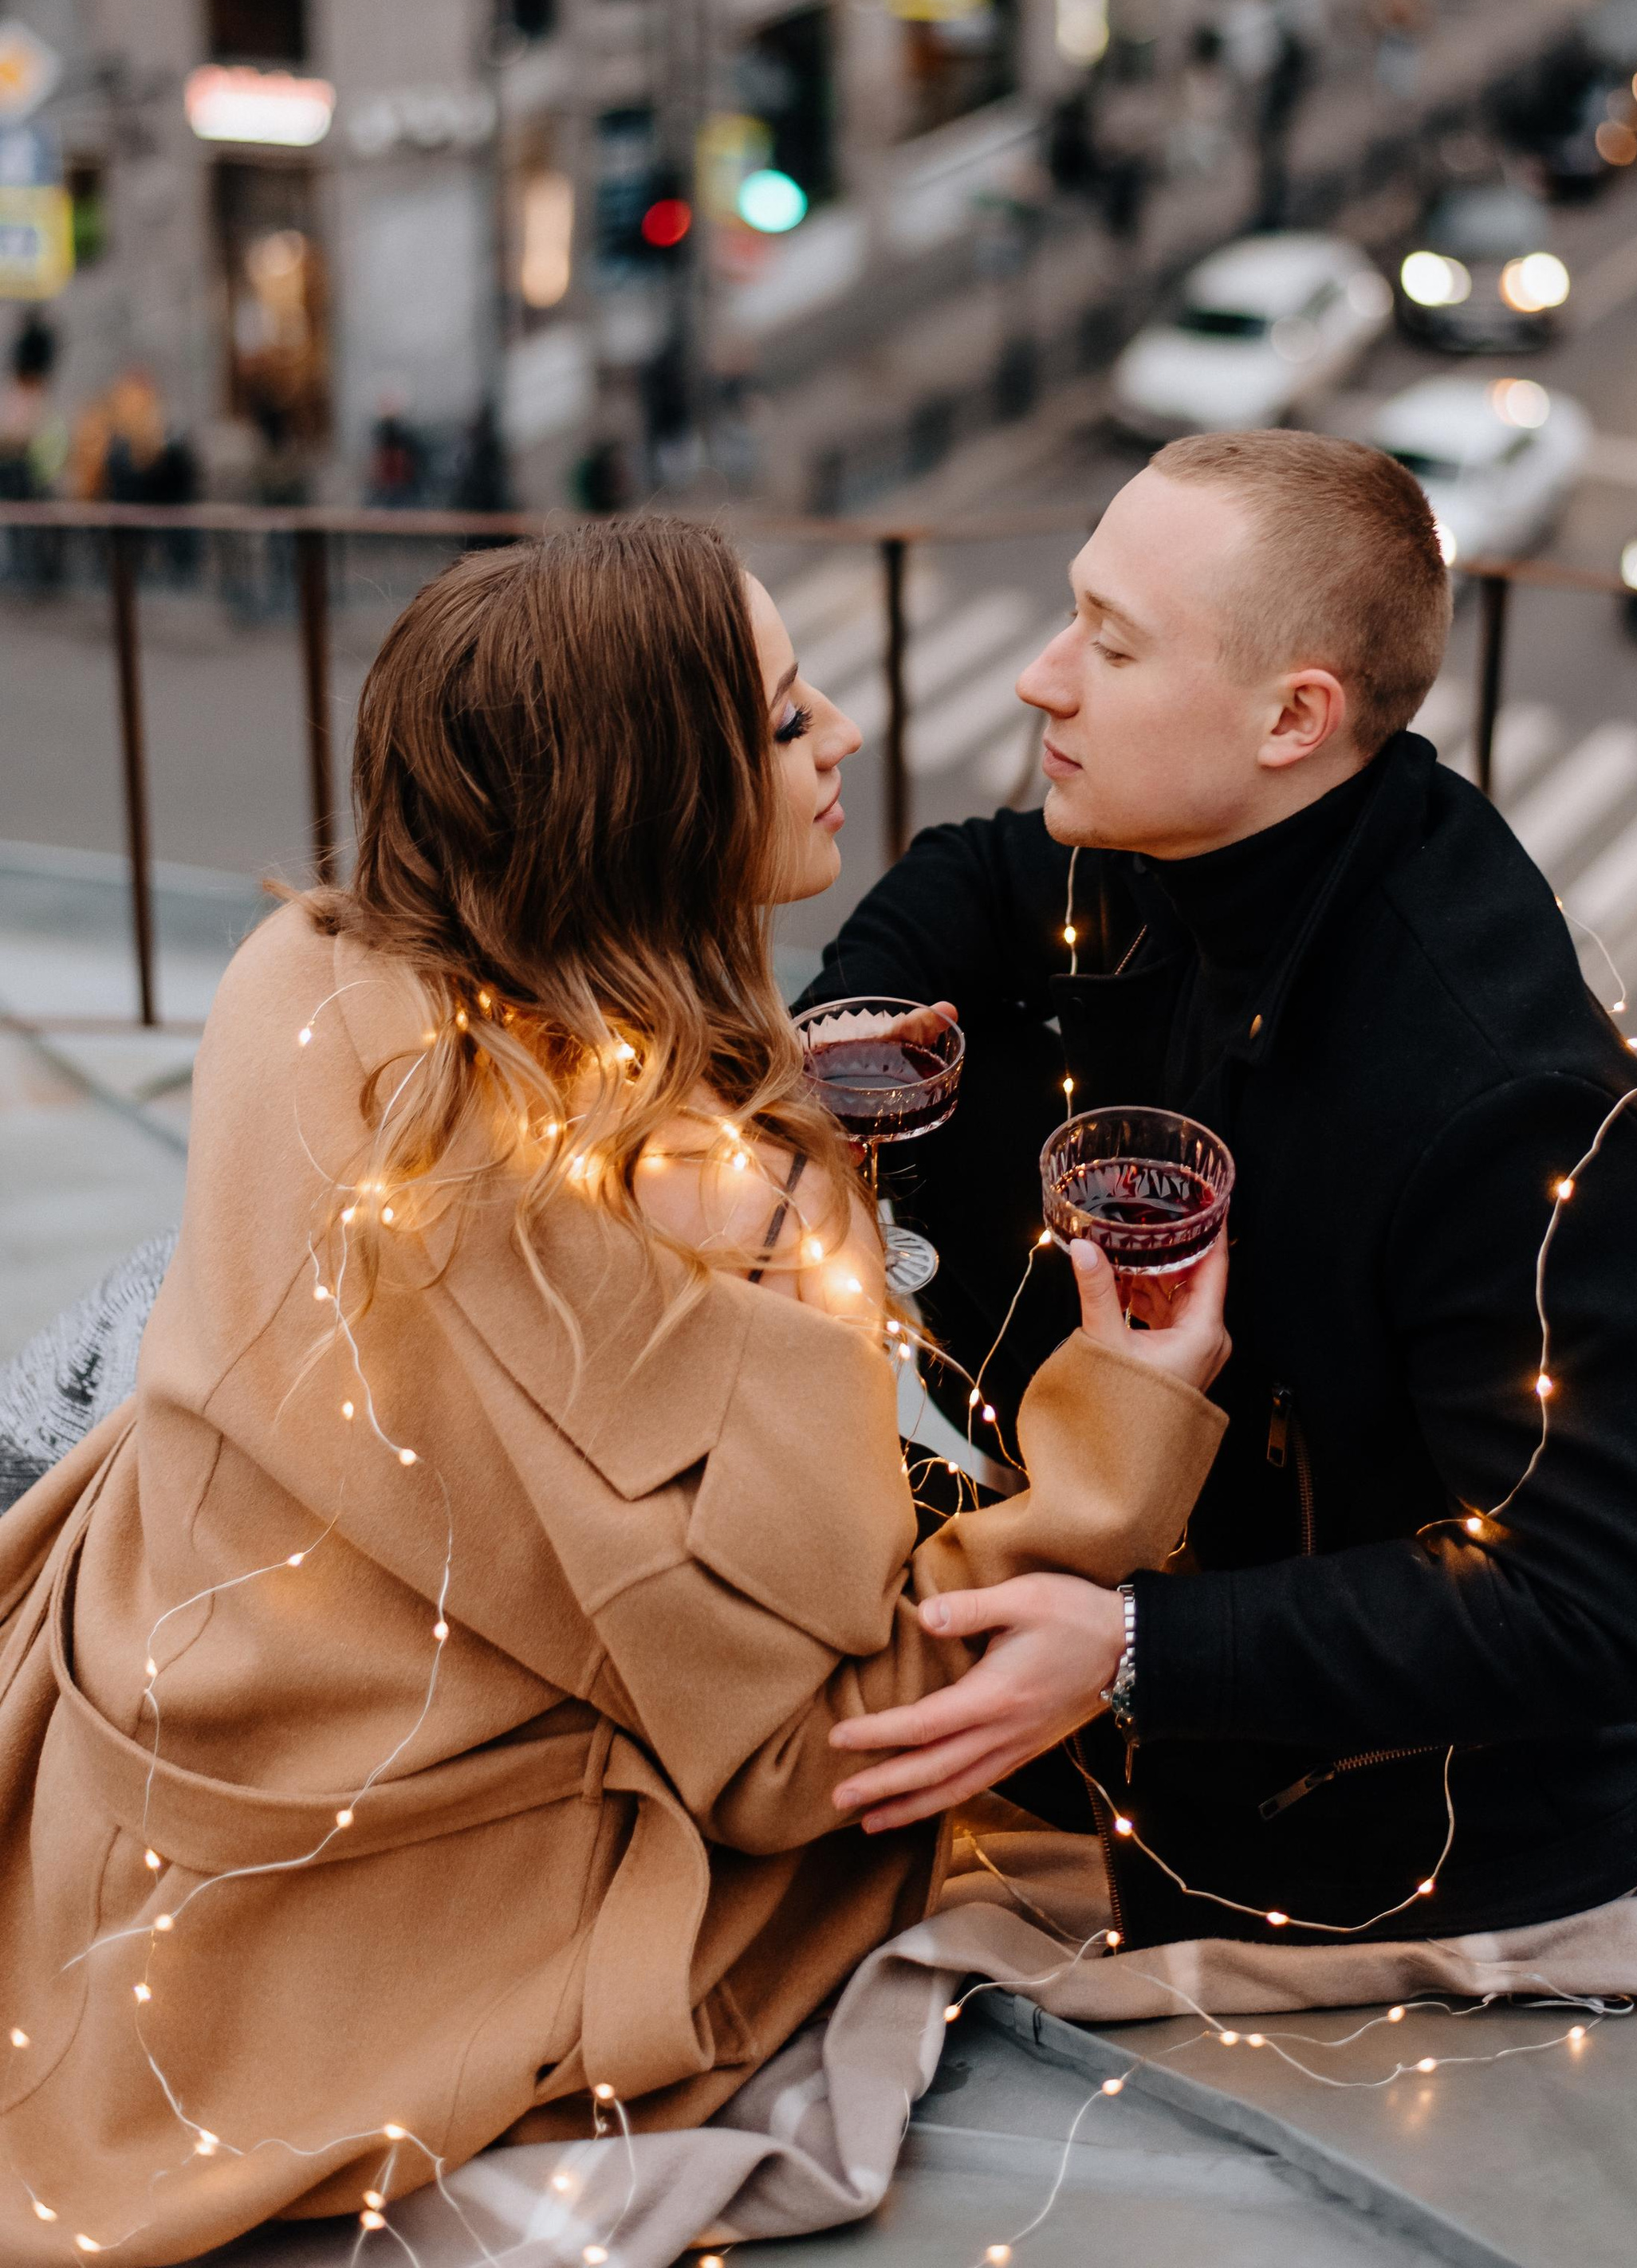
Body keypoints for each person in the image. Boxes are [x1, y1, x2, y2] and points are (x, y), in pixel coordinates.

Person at [0, 516, 1226, 2257]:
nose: (844, 742)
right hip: (345, 1890)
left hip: (141, 1726)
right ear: (656, 812)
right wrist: (1119, 1421)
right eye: (791, 723)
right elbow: (811, 1756)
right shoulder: (675, 1207)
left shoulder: (307, 972)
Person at [809, 431, 1637, 1952]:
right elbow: (973, 872)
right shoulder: (1215, 829)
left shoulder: (1510, 1100)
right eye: (1069, 613)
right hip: (1161, 1656)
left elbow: (1596, 1604)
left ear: (1296, 715)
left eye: (1111, 642)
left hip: (1379, 1848)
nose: (1043, 676)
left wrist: (1137, 1647)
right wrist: (850, 1048)